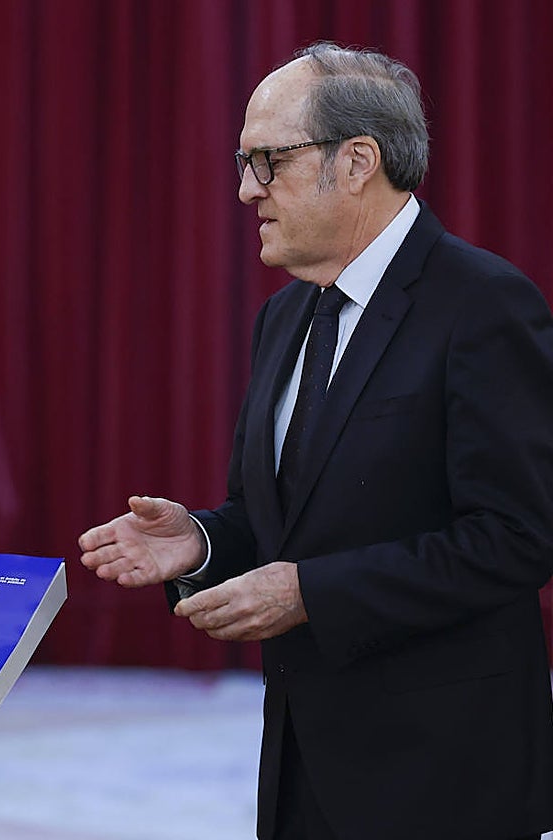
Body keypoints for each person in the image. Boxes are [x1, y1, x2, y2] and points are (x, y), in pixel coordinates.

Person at [80, 41, 553, 840]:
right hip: (301, 769)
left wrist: (310, 594)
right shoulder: (285, 316)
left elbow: (517, 537)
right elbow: (281, 521)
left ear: (358, 160)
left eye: (266, 160)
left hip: (445, 778)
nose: (243, 190)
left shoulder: (485, 306)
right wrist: (197, 543)